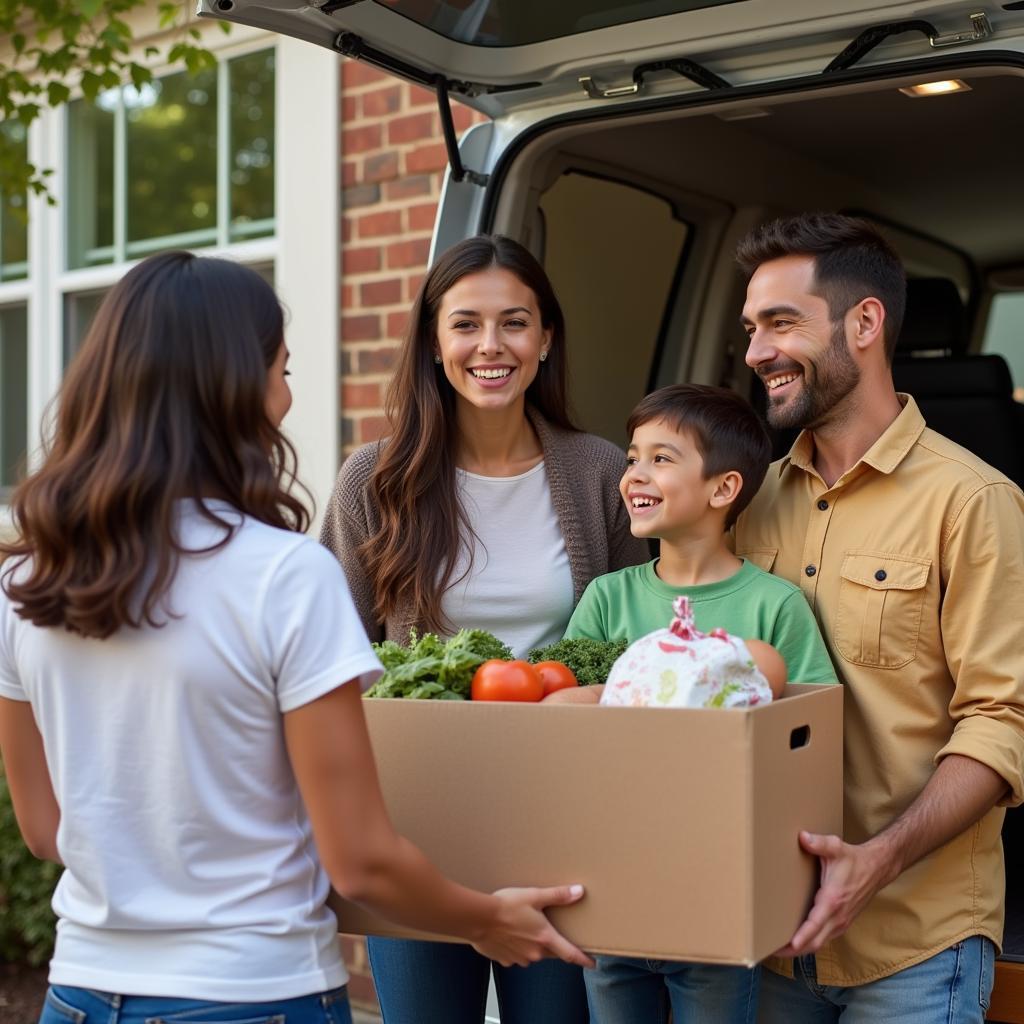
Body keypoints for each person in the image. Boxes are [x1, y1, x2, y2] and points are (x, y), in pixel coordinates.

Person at [0, 251, 593, 1024]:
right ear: (233, 388)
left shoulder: (24, 581)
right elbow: (361, 858)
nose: (287, 392)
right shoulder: (283, 574)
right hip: (255, 992)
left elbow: (47, 831)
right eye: (282, 368)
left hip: (81, 991)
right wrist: (485, 918)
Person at [319, 234, 647, 1024]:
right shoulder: (376, 478)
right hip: (420, 818)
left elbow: (641, 644)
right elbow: (329, 653)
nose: (490, 346)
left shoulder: (601, 472)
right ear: (434, 343)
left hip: (568, 818)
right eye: (466, 324)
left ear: (545, 340)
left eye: (515, 323)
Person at [734, 212, 1024, 1023]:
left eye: (781, 323)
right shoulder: (746, 502)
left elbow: (1003, 722)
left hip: (914, 945)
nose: (756, 352)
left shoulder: (975, 502)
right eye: (751, 328)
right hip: (772, 938)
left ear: (865, 323)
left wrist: (878, 859)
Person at [550, 384, 837, 1022]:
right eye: (631, 458)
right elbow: (558, 716)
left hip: (718, 892)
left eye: (660, 458)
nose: (634, 476)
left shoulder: (775, 606)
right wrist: (667, 685)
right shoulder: (607, 597)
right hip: (611, 888)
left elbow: (810, 744)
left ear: (723, 489)